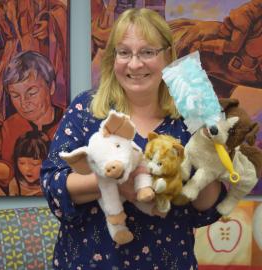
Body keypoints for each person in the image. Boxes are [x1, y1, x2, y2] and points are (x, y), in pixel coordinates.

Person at [40, 8, 226, 269]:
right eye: (124, 52)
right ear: (112, 58)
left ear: (167, 56)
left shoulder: (188, 120)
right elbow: (53, 185)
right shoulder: (86, 110)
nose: (135, 64)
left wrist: (209, 154)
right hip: (91, 261)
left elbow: (206, 208)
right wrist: (114, 181)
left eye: (148, 52)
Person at [1, 50, 64, 164]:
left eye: (32, 93)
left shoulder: (71, 121)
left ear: (51, 87)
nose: (24, 102)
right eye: (15, 96)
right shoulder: (10, 127)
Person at [8, 130, 50, 196]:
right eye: (22, 163)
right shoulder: (15, 184)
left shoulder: (52, 182)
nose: (27, 168)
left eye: (34, 163)